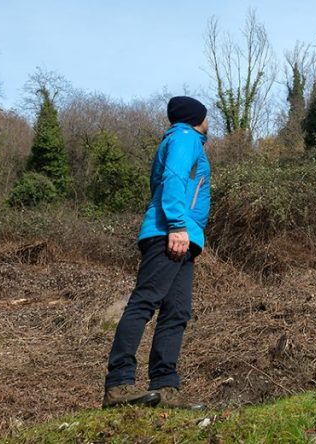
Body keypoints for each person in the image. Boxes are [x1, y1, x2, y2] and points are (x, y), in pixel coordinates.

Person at [102, 96, 211, 410]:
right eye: (206, 116)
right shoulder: (185, 137)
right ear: (196, 118)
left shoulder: (185, 140)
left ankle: (165, 387)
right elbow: (173, 179)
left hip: (183, 235)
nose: (208, 121)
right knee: (144, 302)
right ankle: (119, 385)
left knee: (177, 311)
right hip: (170, 233)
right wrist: (177, 225)